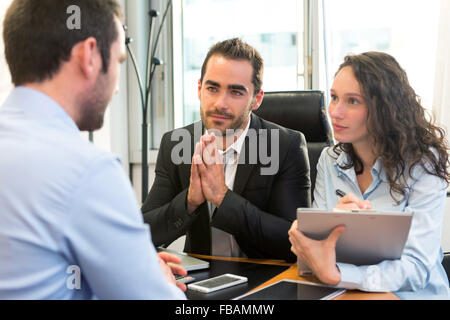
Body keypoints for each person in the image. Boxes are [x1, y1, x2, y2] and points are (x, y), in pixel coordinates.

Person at [0, 0, 186, 299]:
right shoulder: (87, 170)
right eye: (118, 62)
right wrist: (158, 279)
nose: (116, 87)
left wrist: (123, 264)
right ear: (89, 56)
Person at [288, 51, 450, 299]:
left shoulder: (422, 164)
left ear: (385, 107)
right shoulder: (330, 160)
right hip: (345, 289)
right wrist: (306, 242)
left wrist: (338, 274)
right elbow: (317, 259)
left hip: (410, 293)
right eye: (334, 98)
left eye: (352, 101)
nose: (335, 112)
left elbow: (416, 269)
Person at [142, 38, 310, 262]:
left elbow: (292, 241)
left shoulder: (286, 146)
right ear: (200, 89)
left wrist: (222, 197)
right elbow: (144, 232)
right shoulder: (176, 144)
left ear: (257, 99)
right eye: (212, 88)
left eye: (236, 92)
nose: (220, 103)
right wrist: (190, 201)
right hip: (200, 280)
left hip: (263, 278)